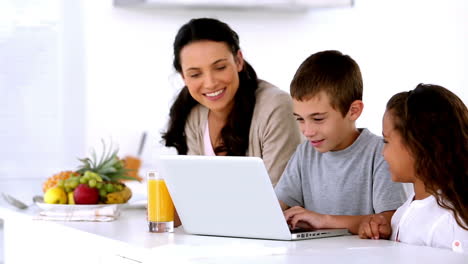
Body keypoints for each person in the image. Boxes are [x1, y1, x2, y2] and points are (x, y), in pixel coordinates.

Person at [274, 50, 407, 235]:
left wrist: (324, 221)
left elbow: (391, 220)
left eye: (318, 119)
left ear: (353, 111)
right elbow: (276, 206)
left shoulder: (381, 153)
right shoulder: (305, 152)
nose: (307, 131)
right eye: (300, 119)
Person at [161, 18, 303, 186]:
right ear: (183, 77)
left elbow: (278, 198)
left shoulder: (275, 106)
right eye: (195, 74)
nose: (210, 83)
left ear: (238, 61)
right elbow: (195, 190)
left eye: (220, 67)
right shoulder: (195, 115)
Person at [358, 84, 468, 252]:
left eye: (386, 141)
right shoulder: (406, 210)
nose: (383, 153)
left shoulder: (450, 225)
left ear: (417, 145)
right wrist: (384, 235)